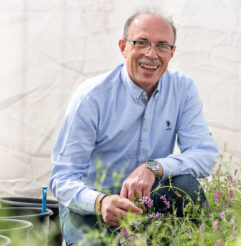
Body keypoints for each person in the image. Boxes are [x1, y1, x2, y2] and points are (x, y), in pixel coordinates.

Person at [49, 9, 218, 245]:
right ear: (123, 47)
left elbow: (205, 154)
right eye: (141, 43)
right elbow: (62, 178)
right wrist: (101, 201)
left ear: (172, 53)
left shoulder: (182, 89)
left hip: (149, 202)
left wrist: (153, 167)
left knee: (185, 185)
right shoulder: (92, 97)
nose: (151, 54)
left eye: (162, 46)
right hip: (92, 206)